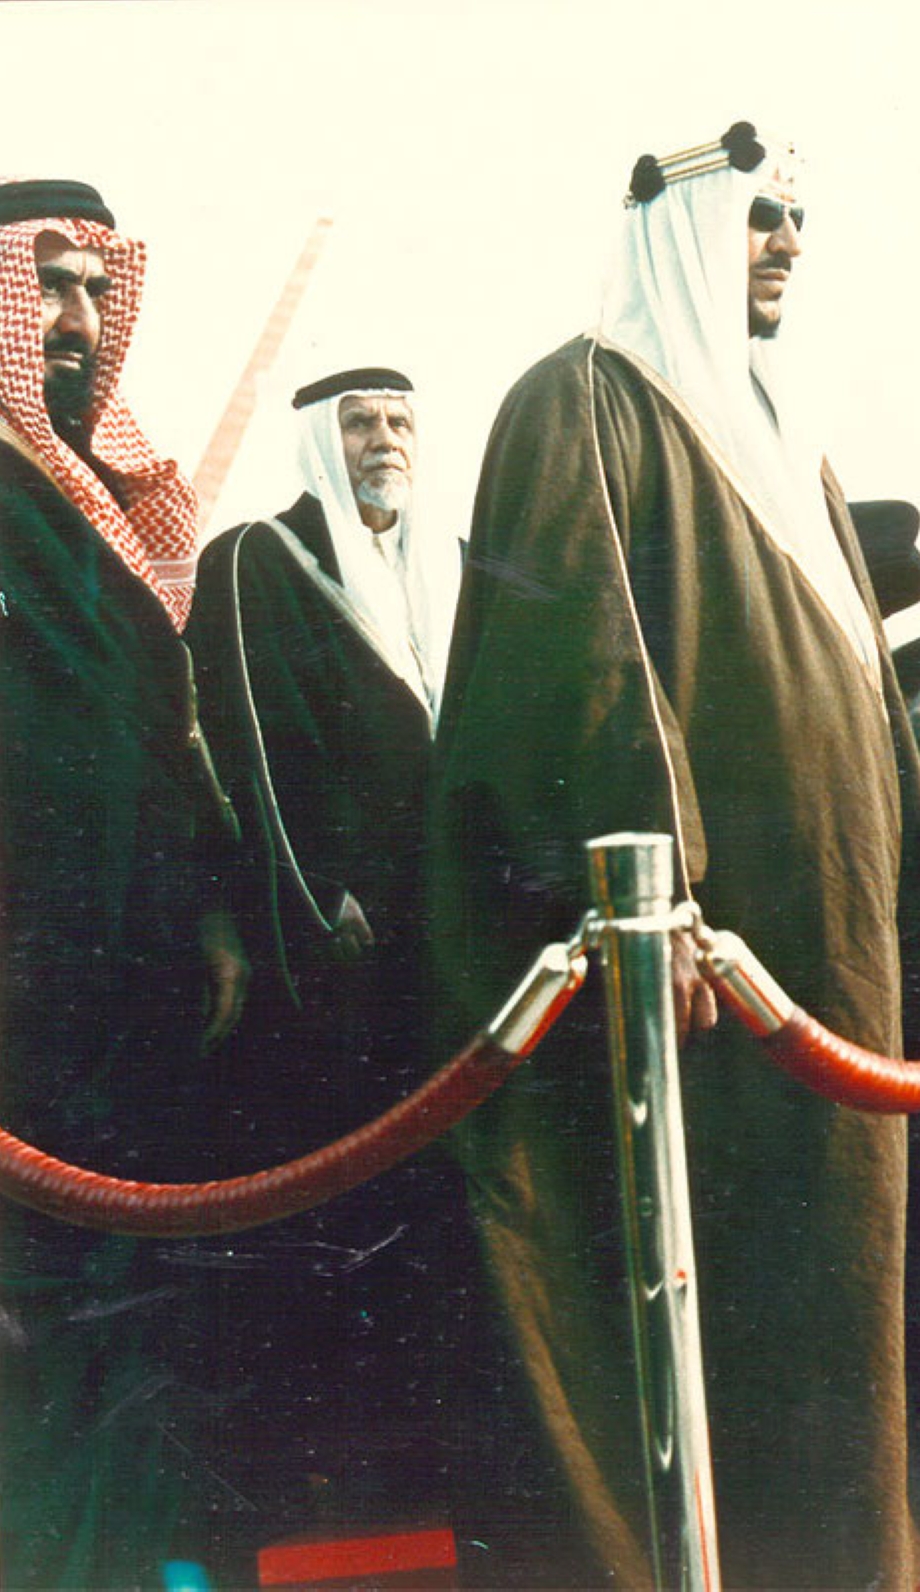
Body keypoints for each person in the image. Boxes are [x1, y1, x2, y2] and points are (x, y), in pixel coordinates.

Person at [427, 124, 920, 1588]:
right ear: (679, 232)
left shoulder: (770, 422)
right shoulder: (579, 404)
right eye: (762, 219)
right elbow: (577, 673)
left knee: (837, 1256)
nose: (788, 246)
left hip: (838, 940)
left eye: (800, 221)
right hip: (705, 954)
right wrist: (655, 889)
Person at [0, 176, 247, 1586]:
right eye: (47, 287)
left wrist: (208, 912)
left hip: (136, 1006)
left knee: (140, 1340)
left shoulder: (113, 507)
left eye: (98, 287)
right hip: (18, 1021)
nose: (80, 319)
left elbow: (164, 737)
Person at [181, 368, 472, 1553]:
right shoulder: (259, 562)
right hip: (335, 966)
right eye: (359, 424)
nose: (382, 441)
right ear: (320, 440)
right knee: (341, 1211)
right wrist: (313, 916)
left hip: (451, 956)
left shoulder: (450, 561)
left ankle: (438, 1453)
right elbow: (256, 756)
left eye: (400, 421)